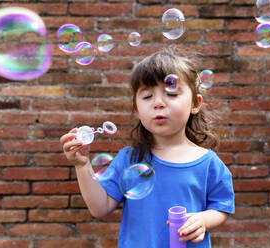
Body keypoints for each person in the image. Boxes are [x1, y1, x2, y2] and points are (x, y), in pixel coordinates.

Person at [60, 47, 235, 247]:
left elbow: (222, 208)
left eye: (172, 93)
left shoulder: (209, 163)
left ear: (195, 103)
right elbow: (100, 208)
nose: (158, 103)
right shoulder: (129, 159)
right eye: (147, 96)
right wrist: (82, 166)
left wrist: (203, 220)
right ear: (136, 108)